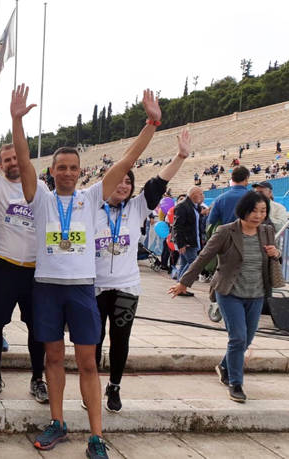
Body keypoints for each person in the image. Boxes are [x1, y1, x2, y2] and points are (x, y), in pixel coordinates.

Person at [12, 84, 160, 458]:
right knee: (52, 358)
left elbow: (126, 160)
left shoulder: (92, 197)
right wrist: (17, 120)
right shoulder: (41, 198)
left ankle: (96, 436)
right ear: (52, 171)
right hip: (47, 288)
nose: (67, 172)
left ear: (81, 171)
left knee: (88, 363)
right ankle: (58, 422)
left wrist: (151, 125)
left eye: (73, 167)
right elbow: (24, 161)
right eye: (61, 167)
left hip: (81, 289)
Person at [94, 129, 190, 413]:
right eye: (119, 180)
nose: (123, 185)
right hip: (94, 286)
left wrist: (180, 157)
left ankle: (114, 386)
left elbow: (158, 183)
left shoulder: (137, 208)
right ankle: (92, 385)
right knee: (93, 340)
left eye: (129, 181)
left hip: (126, 287)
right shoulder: (91, 207)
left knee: (120, 339)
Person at [169, 191, 279, 403]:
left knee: (247, 339)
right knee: (238, 338)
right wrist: (184, 282)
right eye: (254, 211)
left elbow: (274, 256)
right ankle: (235, 383)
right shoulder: (226, 231)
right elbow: (204, 257)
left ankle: (223, 366)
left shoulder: (267, 231)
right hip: (229, 292)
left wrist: (276, 253)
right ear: (243, 210)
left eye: (263, 211)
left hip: (256, 294)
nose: (258, 215)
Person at [0, 112, 47, 404]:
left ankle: (37, 379)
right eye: (7, 160)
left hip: (34, 270)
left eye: (16, 158)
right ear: (1, 165)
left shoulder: (40, 187)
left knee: (36, 328)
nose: (13, 163)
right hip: (3, 265)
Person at [172, 186, 205, 295]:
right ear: (193, 195)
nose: (203, 196)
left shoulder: (195, 206)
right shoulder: (182, 206)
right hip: (187, 242)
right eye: (201, 194)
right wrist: (181, 243)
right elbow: (177, 226)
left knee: (184, 264)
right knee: (193, 263)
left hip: (193, 240)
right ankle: (181, 286)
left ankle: (179, 287)